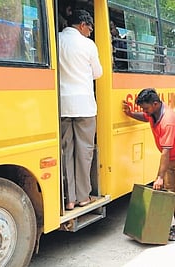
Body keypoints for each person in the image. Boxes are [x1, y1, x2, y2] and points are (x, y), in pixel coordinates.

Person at [122, 88, 175, 241]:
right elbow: (145, 117)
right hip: (172, 155)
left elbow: (166, 152)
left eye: (146, 108)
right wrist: (130, 114)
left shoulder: (167, 120)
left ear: (155, 104)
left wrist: (159, 177)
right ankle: (169, 224)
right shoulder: (153, 113)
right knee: (169, 191)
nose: (144, 111)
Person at [59, 10, 103, 211]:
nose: (91, 31)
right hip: (84, 104)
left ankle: (69, 199)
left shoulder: (57, 40)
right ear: (83, 25)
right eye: (90, 27)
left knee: (66, 150)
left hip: (62, 105)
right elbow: (98, 73)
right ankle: (83, 197)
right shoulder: (87, 45)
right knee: (84, 151)